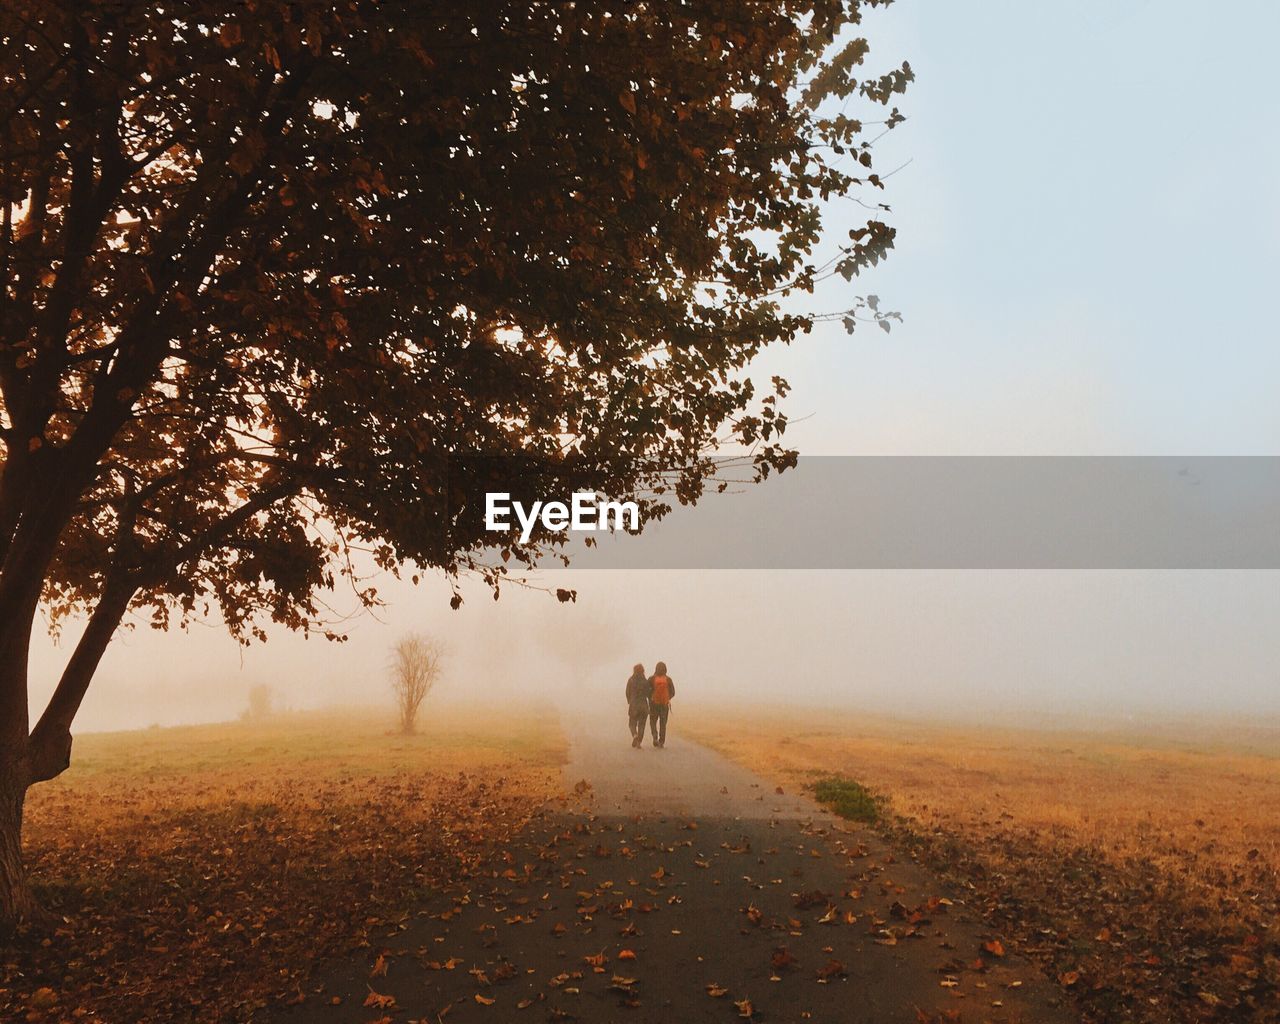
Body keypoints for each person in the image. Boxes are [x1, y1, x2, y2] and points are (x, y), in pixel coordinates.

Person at [648, 661, 675, 748]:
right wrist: (667, 698)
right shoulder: (668, 679)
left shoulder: (651, 679)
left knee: (653, 721)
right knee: (663, 723)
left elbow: (647, 691)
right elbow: (673, 692)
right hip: (664, 705)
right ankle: (661, 741)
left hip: (654, 704)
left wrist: (651, 698)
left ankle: (655, 736)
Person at [625, 663, 651, 749]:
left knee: (632, 723)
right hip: (643, 705)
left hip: (634, 705)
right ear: (643, 670)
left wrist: (630, 701)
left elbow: (627, 692)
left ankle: (635, 735)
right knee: (642, 725)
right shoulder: (645, 681)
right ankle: (639, 742)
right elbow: (648, 694)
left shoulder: (631, 680)